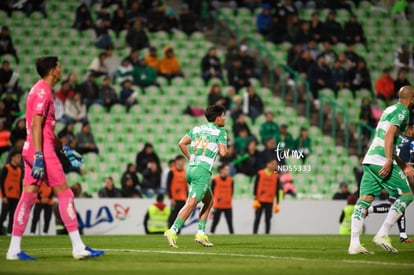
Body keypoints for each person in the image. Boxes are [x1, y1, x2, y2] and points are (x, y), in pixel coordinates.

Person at [6, 56, 103, 260]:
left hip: (31, 149)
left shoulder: (37, 89)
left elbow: (45, 128)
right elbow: (35, 125)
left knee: (28, 197)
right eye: (58, 66)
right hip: (41, 151)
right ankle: (78, 247)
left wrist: (64, 148)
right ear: (52, 71)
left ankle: (13, 249)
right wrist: (41, 154)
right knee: (66, 194)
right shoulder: (43, 91)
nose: (61, 69)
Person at [348, 86, 414, 255]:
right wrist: (388, 160)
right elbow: (389, 135)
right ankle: (382, 234)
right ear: (411, 99)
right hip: (380, 159)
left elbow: (384, 136)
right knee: (407, 194)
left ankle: (354, 244)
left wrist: (402, 163)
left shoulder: (389, 109)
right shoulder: (403, 112)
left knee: (365, 199)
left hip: (370, 158)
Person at [164, 104, 227, 248]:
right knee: (192, 203)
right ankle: (173, 230)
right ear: (217, 118)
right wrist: (224, 146)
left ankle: (200, 233)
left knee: (209, 201)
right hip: (202, 171)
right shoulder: (220, 132)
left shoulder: (197, 129)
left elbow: (182, 143)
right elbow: (223, 153)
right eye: (223, 116)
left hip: (191, 169)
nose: (224, 118)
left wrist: (191, 157)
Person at [253, 158, 280, 234]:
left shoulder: (276, 176)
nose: (274, 165)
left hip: (269, 201)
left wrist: (277, 203)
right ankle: (254, 234)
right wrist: (255, 199)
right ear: (267, 164)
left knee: (268, 219)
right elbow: (255, 186)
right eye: (272, 163)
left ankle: (267, 234)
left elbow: (277, 190)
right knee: (257, 219)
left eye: (275, 164)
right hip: (260, 200)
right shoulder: (260, 173)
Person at [0, 150, 22, 235]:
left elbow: (19, 184)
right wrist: (4, 196)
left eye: (20, 157)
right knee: (3, 215)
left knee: (13, 216)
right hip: (7, 196)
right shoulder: (6, 168)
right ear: (12, 157)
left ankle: (10, 232)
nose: (19, 159)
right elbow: (1, 182)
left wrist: (20, 196)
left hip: (15, 196)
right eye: (17, 157)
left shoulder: (19, 170)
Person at [210, 163, 234, 234]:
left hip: (228, 205)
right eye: (226, 169)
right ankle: (211, 234)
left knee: (229, 222)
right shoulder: (215, 180)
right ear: (221, 170)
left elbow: (232, 192)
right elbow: (212, 192)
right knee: (215, 222)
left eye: (228, 170)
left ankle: (232, 236)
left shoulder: (231, 180)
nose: (228, 171)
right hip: (218, 205)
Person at [166, 155, 188, 228]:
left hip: (183, 197)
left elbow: (186, 186)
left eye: (183, 161)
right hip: (175, 198)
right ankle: (170, 230)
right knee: (173, 215)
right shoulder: (172, 171)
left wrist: (187, 197)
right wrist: (171, 198)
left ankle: (178, 231)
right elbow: (168, 185)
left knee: (181, 216)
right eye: (181, 161)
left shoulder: (185, 172)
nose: (182, 163)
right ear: (177, 161)